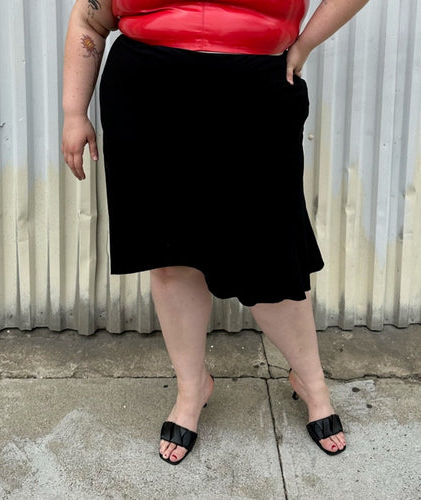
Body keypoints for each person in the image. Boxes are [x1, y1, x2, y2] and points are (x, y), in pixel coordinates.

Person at [62, 0, 369, 465]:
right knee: (170, 254)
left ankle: (311, 381)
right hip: (147, 94)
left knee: (271, 260)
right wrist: (73, 111)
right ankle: (192, 389)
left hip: (255, 92)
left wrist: (304, 45)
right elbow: (90, 17)